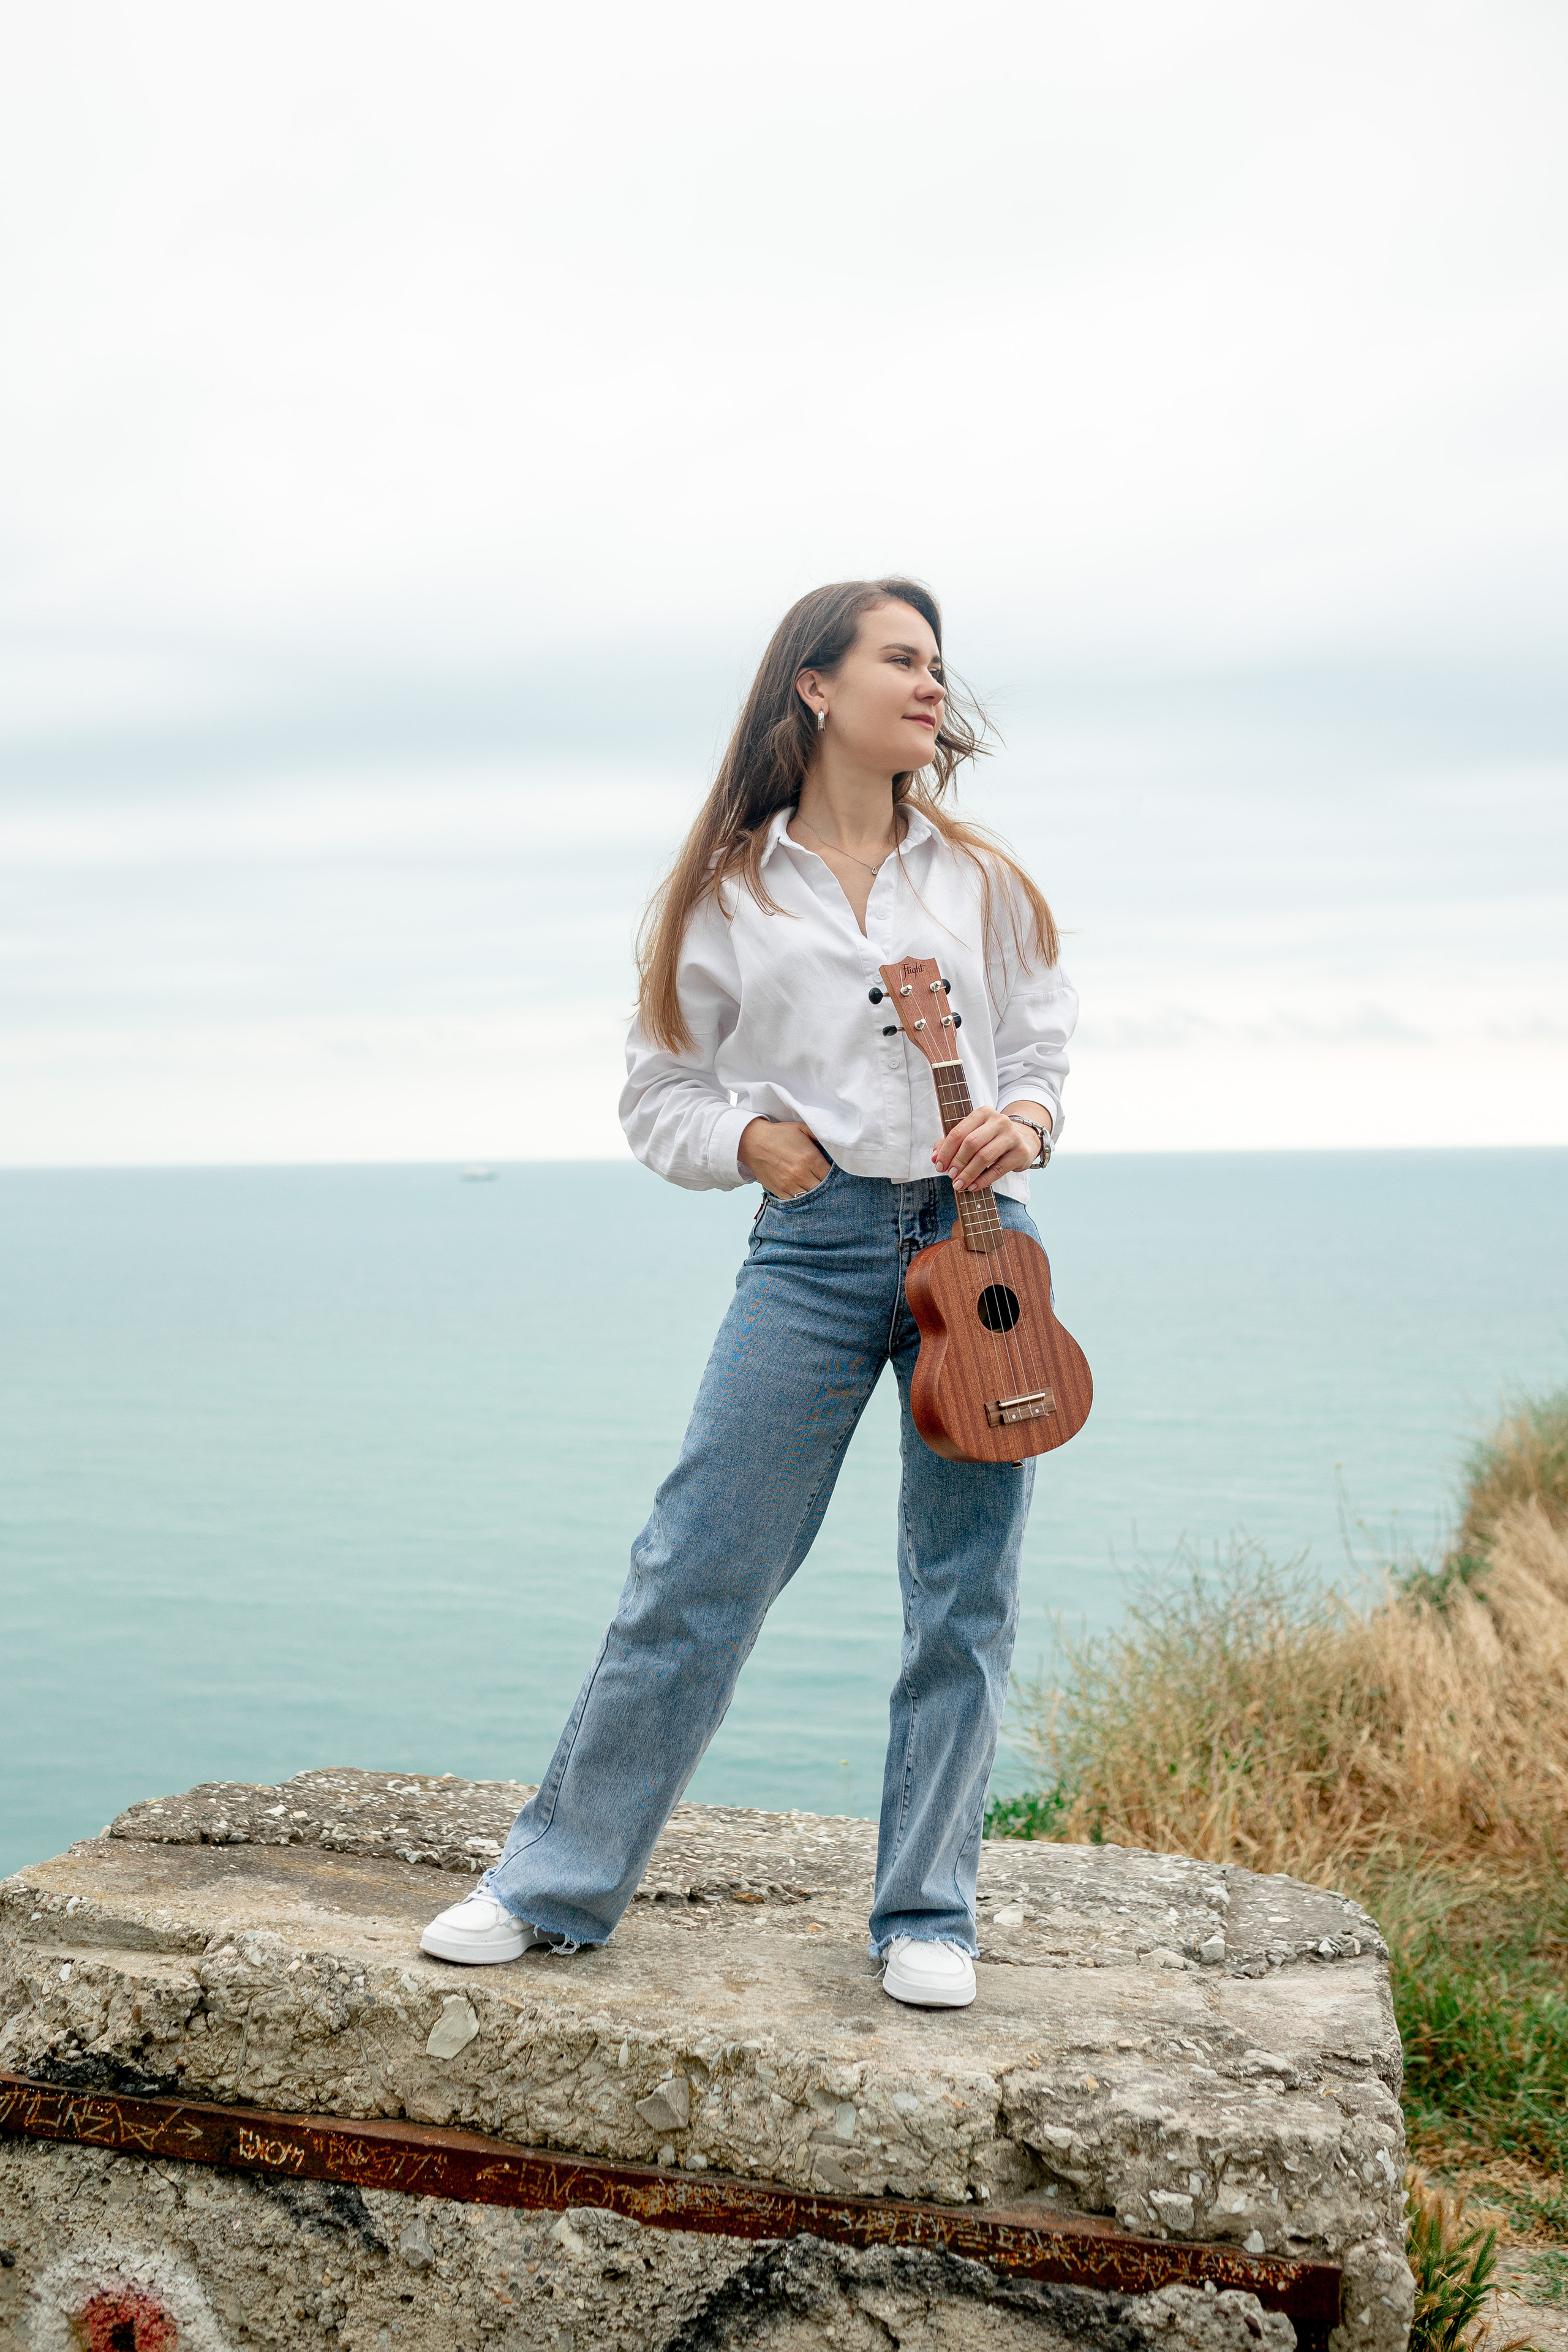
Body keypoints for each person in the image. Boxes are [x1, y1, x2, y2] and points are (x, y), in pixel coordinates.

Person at [421, 578, 1077, 2008]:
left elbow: (1039, 1053)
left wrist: (1020, 1125)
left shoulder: (982, 884)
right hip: (816, 1243)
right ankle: (552, 1883)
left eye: (935, 663)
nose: (929, 684)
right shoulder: (724, 893)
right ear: (814, 688)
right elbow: (658, 1096)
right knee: (696, 1568)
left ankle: (926, 1918)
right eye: (899, 659)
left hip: (980, 1248)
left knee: (962, 1594)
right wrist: (752, 1146)